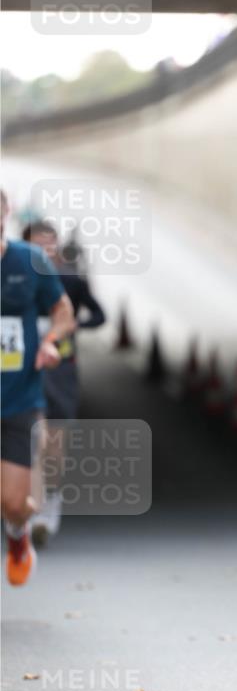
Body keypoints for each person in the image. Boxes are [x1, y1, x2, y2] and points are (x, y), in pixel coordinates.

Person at [1, 192, 75, 585]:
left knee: (14, 503)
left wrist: (50, 342)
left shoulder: (29, 261)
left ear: (5, 213)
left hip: (18, 400)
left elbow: (64, 313)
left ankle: (18, 536)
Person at [22, 221, 106, 544]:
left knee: (55, 447)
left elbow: (100, 316)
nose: (45, 252)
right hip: (26, 371)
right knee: (32, 441)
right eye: (37, 246)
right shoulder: (14, 278)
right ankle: (29, 510)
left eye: (50, 245)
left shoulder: (70, 281)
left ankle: (50, 502)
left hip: (62, 373)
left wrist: (73, 326)